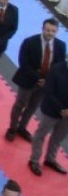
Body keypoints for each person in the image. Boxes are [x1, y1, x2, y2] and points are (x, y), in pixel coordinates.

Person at [6, 18, 64, 141]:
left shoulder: (61, 46)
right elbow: (24, 63)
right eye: (48, 30)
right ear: (42, 29)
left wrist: (47, 80)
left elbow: (60, 66)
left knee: (33, 107)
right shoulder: (29, 42)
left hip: (46, 84)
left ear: (57, 31)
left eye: (53, 31)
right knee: (20, 104)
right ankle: (12, 128)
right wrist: (38, 78)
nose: (50, 33)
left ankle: (22, 127)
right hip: (28, 80)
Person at [27, 43, 68, 175]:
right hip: (51, 110)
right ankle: (34, 160)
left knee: (58, 138)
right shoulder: (56, 69)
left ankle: (50, 159)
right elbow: (49, 92)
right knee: (40, 135)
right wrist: (61, 110)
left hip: (67, 116)